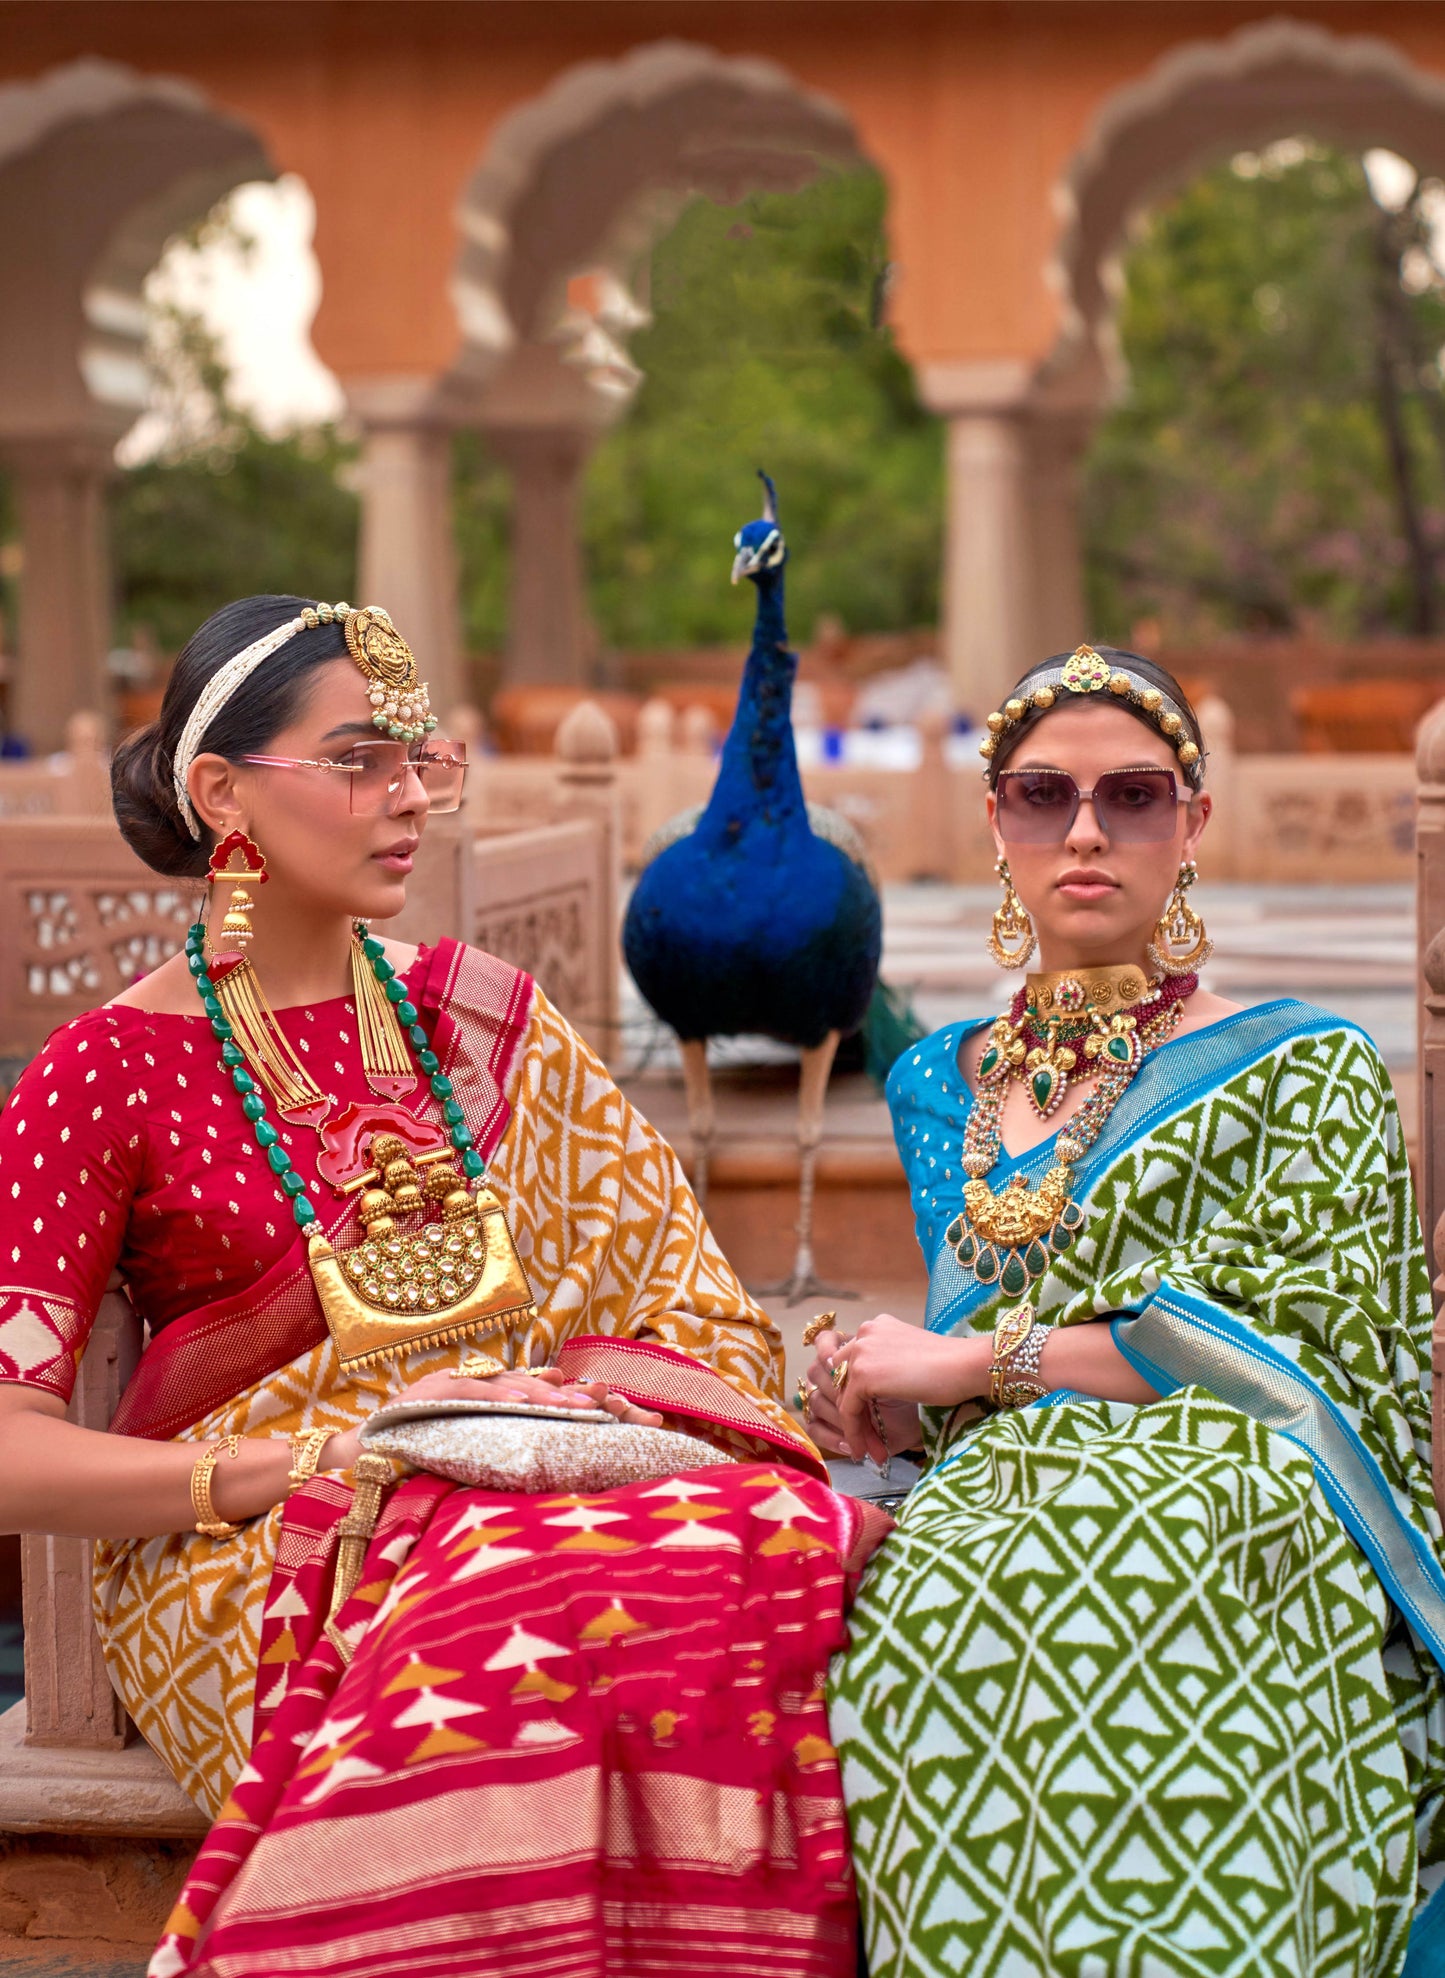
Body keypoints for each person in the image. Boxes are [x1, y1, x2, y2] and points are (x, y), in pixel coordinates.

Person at [0, 595, 888, 1978]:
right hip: (259, 1542)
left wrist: (535, 1416)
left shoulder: (485, 1016)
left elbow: (697, 1310)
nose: (408, 795)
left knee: (764, 1562)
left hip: (544, 1478)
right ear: (222, 791)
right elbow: (8, 1444)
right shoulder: (100, 1074)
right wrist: (294, 1462)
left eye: (422, 758)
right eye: (358, 759)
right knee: (532, 1612)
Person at [804, 645, 1445, 1978]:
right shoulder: (941, 1080)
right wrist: (868, 1368)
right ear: (993, 821)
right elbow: (951, 1343)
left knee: (1147, 1547)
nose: (1085, 829)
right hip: (998, 1484)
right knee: (935, 1582)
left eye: (1133, 796)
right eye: (1040, 795)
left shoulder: (1306, 1065)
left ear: (1191, 823)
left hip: (1235, 1475)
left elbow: (1317, 1359)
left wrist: (975, 1354)